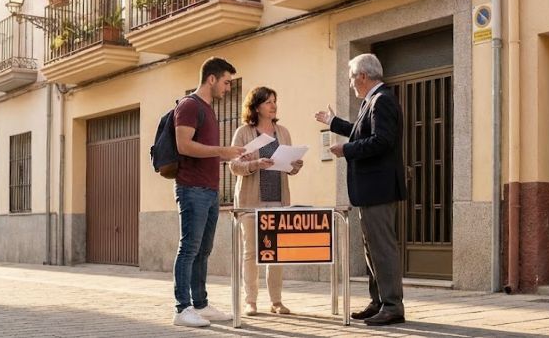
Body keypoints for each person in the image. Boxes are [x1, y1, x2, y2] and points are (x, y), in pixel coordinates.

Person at [314, 53, 407, 326]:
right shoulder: (373, 101)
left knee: (383, 249)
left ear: (363, 76)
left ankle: (392, 306)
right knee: (371, 250)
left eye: (352, 77)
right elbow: (361, 131)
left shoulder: (382, 101)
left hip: (378, 189)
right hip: (370, 190)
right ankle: (378, 302)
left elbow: (381, 141)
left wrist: (347, 149)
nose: (351, 83)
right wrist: (334, 123)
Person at [172, 56, 246, 328]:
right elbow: (183, 145)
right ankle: (182, 308)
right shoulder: (190, 105)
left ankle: (201, 304)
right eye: (226, 82)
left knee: (203, 250)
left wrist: (229, 154)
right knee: (189, 249)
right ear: (211, 79)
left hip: (210, 190)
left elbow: (207, 150)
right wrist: (221, 151)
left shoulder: (208, 109)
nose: (228, 88)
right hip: (192, 188)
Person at [229, 87, 303, 316]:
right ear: (256, 106)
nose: (273, 105)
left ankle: (276, 301)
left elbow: (289, 167)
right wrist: (255, 164)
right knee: (251, 253)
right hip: (251, 202)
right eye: (268, 102)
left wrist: (295, 166)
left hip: (278, 200)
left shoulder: (283, 132)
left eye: (274, 101)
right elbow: (234, 166)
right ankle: (250, 301)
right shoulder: (243, 132)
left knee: (276, 253)